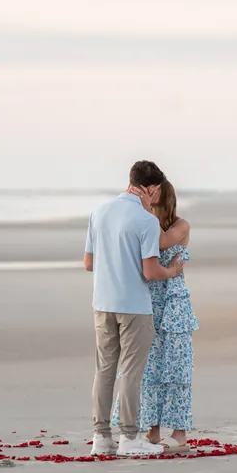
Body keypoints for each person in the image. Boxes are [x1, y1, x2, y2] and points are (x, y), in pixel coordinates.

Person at [83, 161, 185, 457]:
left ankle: (101, 437)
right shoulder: (145, 221)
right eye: (157, 192)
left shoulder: (99, 212)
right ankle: (129, 437)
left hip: (102, 303)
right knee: (130, 372)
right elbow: (151, 272)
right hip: (134, 307)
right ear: (150, 188)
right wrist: (174, 271)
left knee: (104, 370)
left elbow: (89, 263)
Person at [111, 180, 198, 453]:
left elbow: (160, 243)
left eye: (153, 197)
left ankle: (179, 434)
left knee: (175, 368)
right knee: (148, 370)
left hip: (172, 304)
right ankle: (151, 430)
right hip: (147, 300)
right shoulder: (143, 224)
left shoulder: (180, 226)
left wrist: (142, 213)